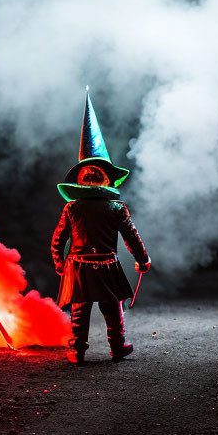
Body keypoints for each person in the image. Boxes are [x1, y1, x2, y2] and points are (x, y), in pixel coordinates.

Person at [51, 91, 150, 364]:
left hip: (79, 266)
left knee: (80, 310)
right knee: (111, 308)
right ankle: (117, 347)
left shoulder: (72, 208)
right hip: (107, 264)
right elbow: (132, 237)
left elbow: (58, 239)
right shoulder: (116, 208)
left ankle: (77, 350)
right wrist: (143, 260)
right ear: (107, 181)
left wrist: (59, 263)